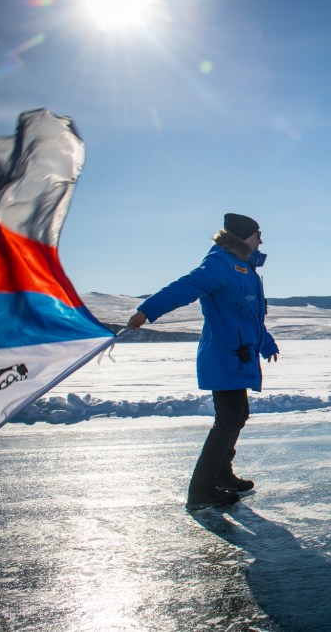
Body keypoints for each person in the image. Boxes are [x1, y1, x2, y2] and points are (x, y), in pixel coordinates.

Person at [127, 213, 279, 510]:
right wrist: (148, 311)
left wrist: (267, 343)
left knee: (237, 416)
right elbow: (184, 287)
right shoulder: (220, 264)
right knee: (229, 420)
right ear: (242, 237)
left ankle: (222, 474)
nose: (260, 240)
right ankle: (201, 490)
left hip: (239, 354)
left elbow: (249, 317)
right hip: (225, 355)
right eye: (257, 235)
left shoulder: (246, 270)